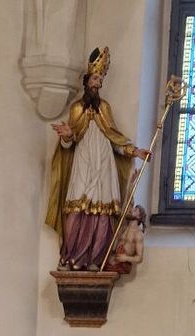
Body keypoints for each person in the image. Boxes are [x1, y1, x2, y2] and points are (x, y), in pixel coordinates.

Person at [45, 46, 150, 271]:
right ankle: (71, 256)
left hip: (104, 166)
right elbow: (69, 144)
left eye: (100, 79)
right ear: (86, 80)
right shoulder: (76, 108)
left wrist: (135, 151)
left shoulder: (105, 108)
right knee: (76, 209)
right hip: (83, 164)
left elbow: (114, 138)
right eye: (95, 78)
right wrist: (67, 135)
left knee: (103, 212)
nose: (98, 83)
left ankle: (95, 259)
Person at [110, 204, 147, 274]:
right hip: (114, 260)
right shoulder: (123, 228)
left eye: (135, 210)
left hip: (123, 264)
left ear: (139, 216)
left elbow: (139, 258)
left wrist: (126, 258)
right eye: (132, 209)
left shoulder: (138, 234)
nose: (131, 210)